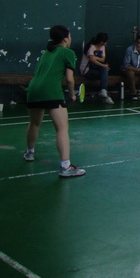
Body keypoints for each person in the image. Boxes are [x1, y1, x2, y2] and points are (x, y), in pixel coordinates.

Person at [24, 25, 85, 177]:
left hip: (33, 89)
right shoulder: (68, 52)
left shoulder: (47, 52)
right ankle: (65, 167)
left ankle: (30, 152)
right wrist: (72, 94)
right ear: (65, 39)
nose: (70, 39)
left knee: (34, 123)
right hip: (51, 91)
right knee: (62, 128)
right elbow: (69, 79)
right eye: (70, 36)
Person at [79, 32, 113, 104]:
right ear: (101, 42)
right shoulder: (91, 47)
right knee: (104, 72)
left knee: (104, 71)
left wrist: (95, 57)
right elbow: (92, 60)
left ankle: (103, 91)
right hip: (87, 71)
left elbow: (103, 59)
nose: (106, 43)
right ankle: (104, 94)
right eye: (105, 42)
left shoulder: (102, 47)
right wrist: (103, 65)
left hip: (97, 69)